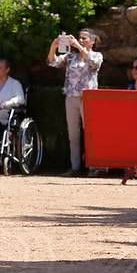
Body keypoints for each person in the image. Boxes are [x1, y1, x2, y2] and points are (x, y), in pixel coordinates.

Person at [47, 28, 103, 176]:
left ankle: (94, 166)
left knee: (90, 133)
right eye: (80, 38)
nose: (81, 40)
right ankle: (75, 166)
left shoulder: (96, 55)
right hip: (71, 96)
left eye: (85, 38)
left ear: (92, 41)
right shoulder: (71, 56)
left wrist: (78, 46)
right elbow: (53, 62)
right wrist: (54, 46)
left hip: (88, 98)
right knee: (73, 134)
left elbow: (93, 64)